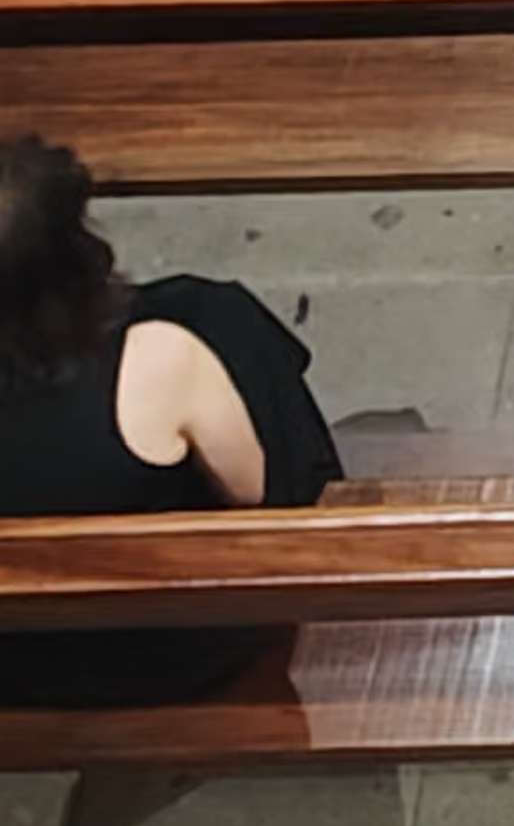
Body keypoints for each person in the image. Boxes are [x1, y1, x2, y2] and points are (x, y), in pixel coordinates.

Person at [0, 130, 343, 708]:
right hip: (164, 650)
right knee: (216, 310)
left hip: (12, 656)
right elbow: (259, 494)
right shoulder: (157, 363)